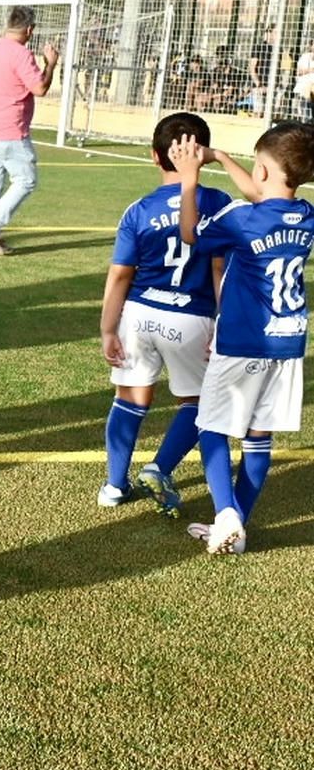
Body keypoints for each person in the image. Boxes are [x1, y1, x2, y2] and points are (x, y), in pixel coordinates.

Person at [170, 123, 314, 555]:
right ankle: (234, 530)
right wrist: (221, 157)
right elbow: (265, 195)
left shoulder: (241, 218)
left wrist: (191, 178)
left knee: (210, 427)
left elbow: (191, 235)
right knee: (258, 436)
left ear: (265, 171)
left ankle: (227, 513)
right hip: (288, 344)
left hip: (243, 340)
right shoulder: (306, 215)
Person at [97, 112, 231, 513]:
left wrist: (108, 328)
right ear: (202, 156)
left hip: (138, 314)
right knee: (200, 403)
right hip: (192, 318)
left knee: (130, 397)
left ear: (156, 157)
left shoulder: (138, 210)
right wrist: (223, 323)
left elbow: (121, 274)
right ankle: (159, 466)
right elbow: (219, 268)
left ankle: (114, 486)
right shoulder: (219, 204)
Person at [0, 5, 59, 255]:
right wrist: (50, 64)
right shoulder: (21, 54)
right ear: (30, 29)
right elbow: (39, 88)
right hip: (9, 131)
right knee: (26, 179)